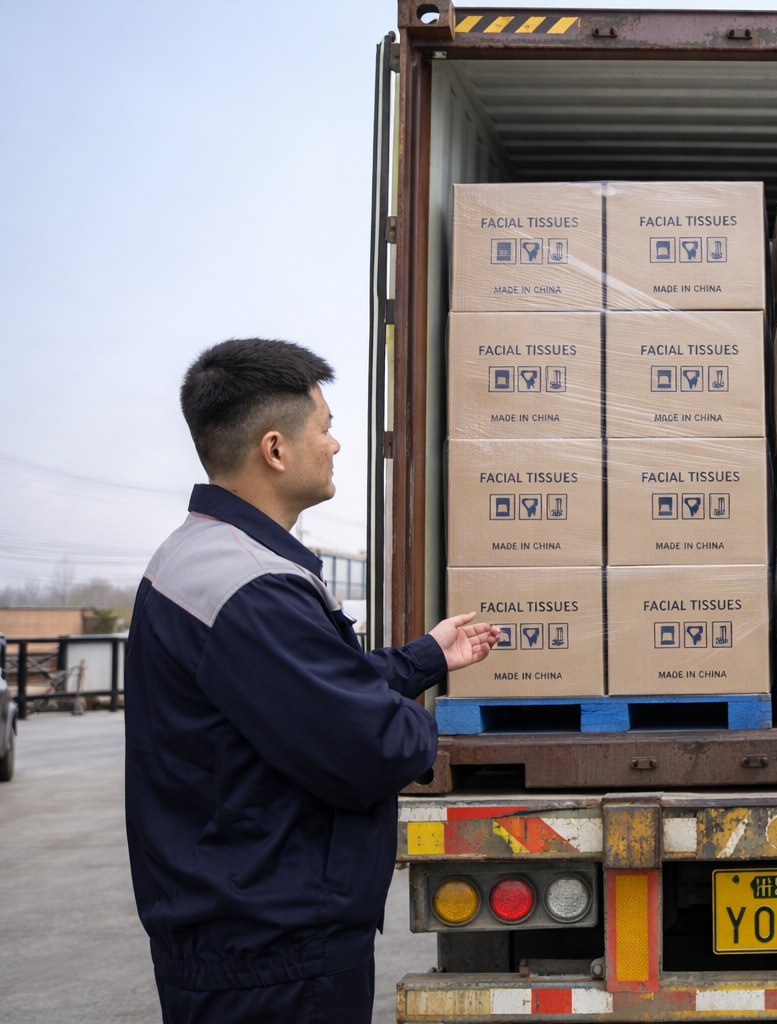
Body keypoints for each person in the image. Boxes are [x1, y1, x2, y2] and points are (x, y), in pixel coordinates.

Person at [124, 337, 496, 1024]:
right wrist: (427, 721)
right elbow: (372, 746)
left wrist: (423, 658)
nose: (335, 446)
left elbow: (293, 692)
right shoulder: (252, 589)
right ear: (275, 449)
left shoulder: (206, 558)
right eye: (324, 428)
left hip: (240, 927)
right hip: (272, 953)